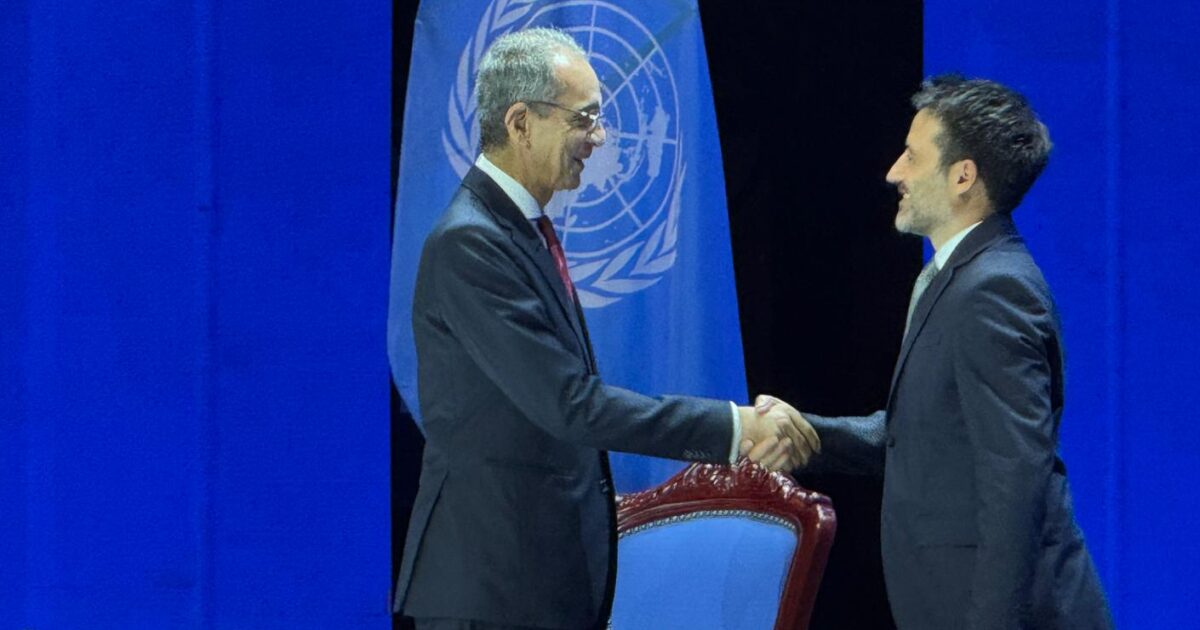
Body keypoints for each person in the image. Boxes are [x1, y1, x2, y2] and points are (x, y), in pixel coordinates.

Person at [392, 28, 819, 630]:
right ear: (521, 123)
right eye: (584, 118)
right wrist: (735, 426)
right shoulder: (471, 243)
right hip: (493, 589)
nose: (599, 137)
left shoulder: (518, 230)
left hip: (536, 582)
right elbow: (570, 404)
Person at [768, 75, 1113, 629]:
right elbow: (924, 435)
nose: (894, 173)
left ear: (962, 176)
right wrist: (804, 433)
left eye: (911, 155)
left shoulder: (994, 289)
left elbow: (1015, 482)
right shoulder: (959, 277)